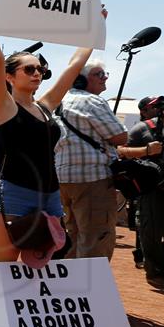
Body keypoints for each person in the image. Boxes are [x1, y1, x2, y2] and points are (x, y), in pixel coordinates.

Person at [0, 0, 107, 327]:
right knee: (4, 261)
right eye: (29, 69)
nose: (37, 73)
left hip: (48, 195)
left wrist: (94, 25)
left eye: (39, 70)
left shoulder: (46, 109)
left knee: (40, 263)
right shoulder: (3, 106)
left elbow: (72, 66)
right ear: (12, 77)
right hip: (14, 192)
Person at [54, 59, 127, 260]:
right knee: (96, 240)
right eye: (99, 74)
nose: (105, 78)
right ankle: (92, 289)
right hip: (93, 178)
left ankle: (70, 289)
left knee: (73, 238)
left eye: (105, 74)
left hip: (64, 179)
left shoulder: (58, 103)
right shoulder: (92, 101)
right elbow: (120, 137)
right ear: (80, 80)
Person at [117, 95, 164, 288]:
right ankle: (156, 271)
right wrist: (146, 151)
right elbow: (120, 151)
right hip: (153, 189)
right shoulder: (143, 128)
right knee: (150, 233)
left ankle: (163, 266)